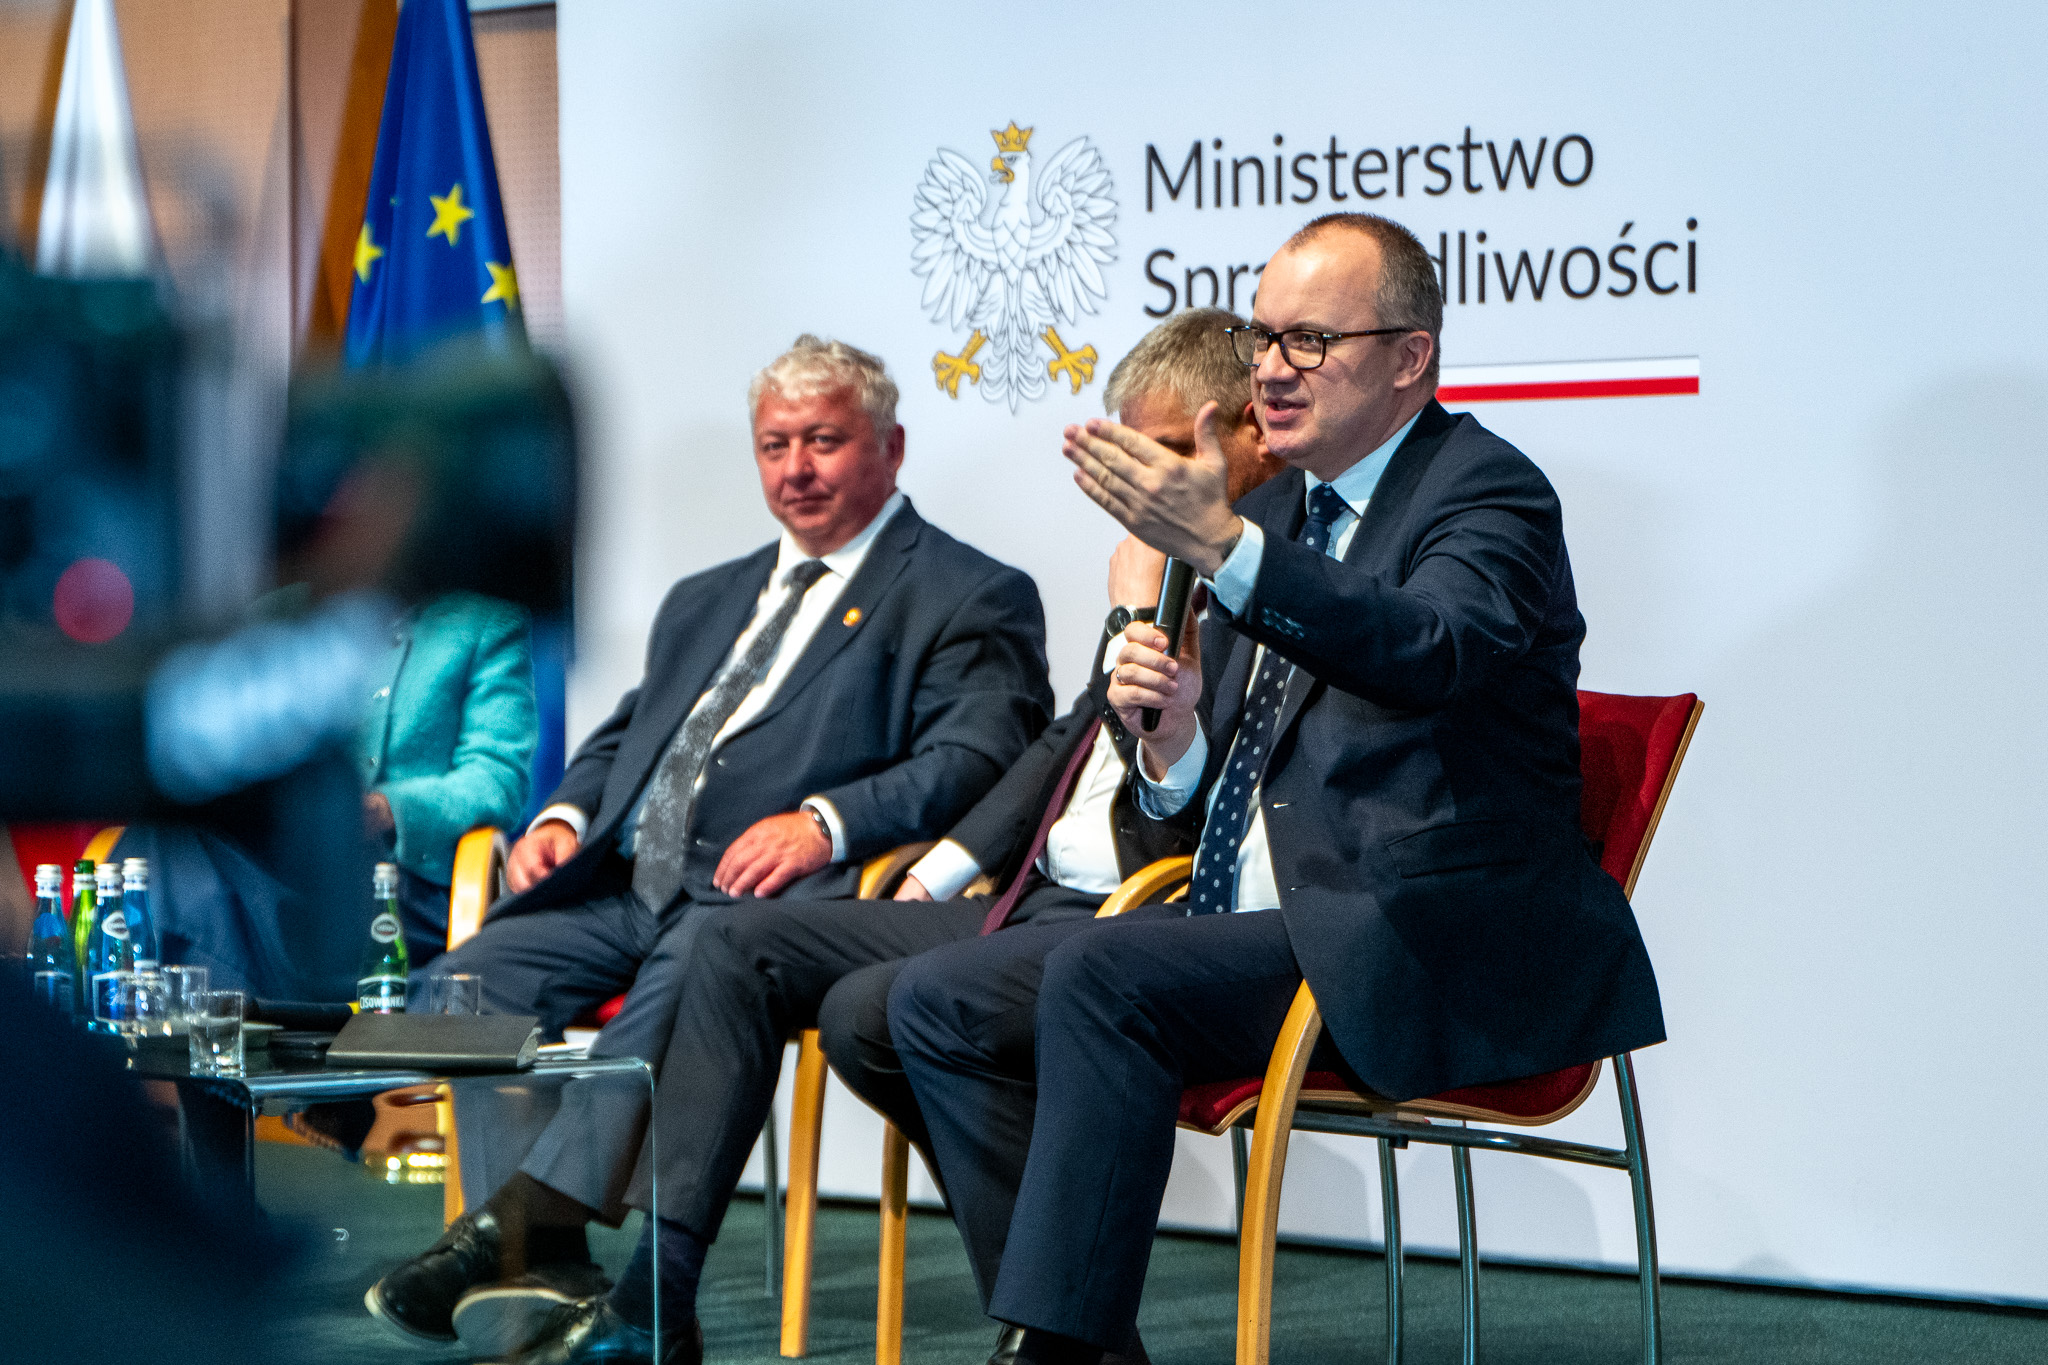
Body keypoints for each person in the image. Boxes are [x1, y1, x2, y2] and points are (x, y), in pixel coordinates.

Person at [363, 311, 1279, 1365]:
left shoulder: (968, 589)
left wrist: (831, 824)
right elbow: (631, 730)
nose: (795, 467)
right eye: (775, 444)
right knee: (462, 987)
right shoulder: (706, 596)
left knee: (750, 962)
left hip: (775, 889)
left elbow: (981, 753)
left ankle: (550, 1240)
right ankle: (524, 1235)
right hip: (629, 879)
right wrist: (567, 815)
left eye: (823, 441)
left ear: (890, 448)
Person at [888, 213, 1668, 1365]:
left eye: (1308, 340)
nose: (1269, 369)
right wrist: (1171, 738)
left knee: (1101, 976)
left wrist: (1226, 554)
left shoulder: (1484, 493)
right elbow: (1198, 794)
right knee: (929, 999)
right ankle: (1083, 1343)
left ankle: (1048, 1348)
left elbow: (1429, 649)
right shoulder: (1268, 515)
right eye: (1262, 337)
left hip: (1417, 927)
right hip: (1257, 918)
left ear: (1407, 357)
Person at [358, 590, 538, 964]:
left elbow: (498, 780)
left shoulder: (487, 618)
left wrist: (389, 808)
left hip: (410, 882)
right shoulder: (312, 607)